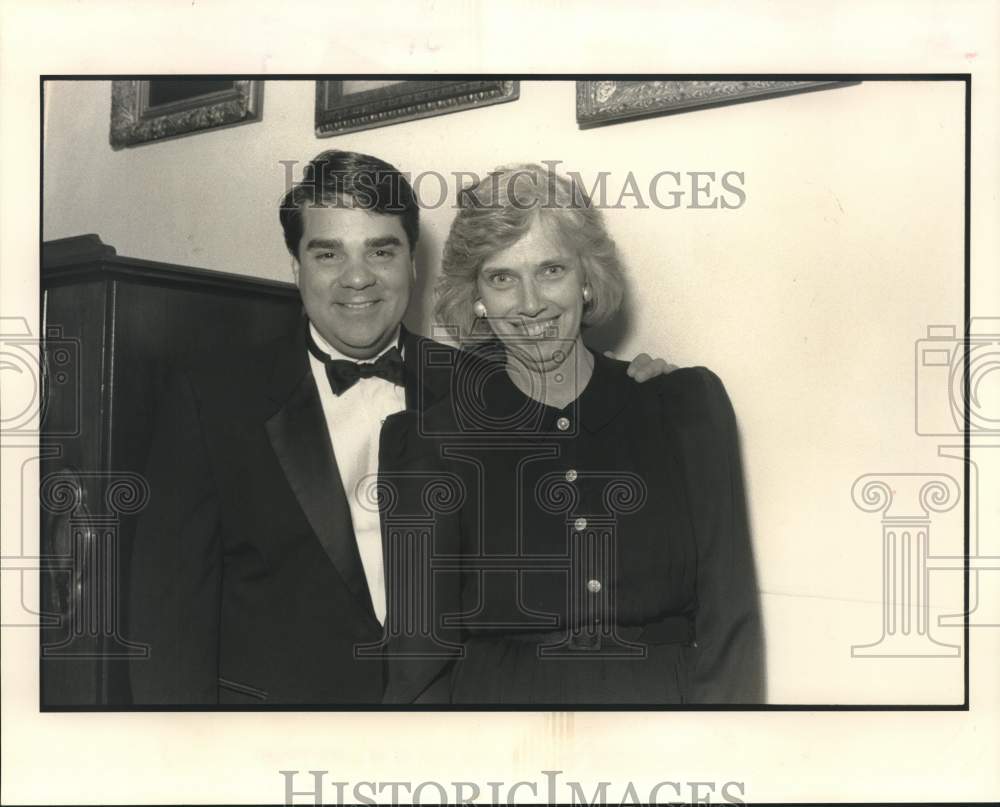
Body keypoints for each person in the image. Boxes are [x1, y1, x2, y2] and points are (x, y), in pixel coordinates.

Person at [127, 149, 671, 705]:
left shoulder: (481, 389)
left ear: (413, 262)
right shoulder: (211, 399)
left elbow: (578, 433)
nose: (357, 278)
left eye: (381, 251)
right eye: (328, 253)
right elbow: (167, 616)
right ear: (296, 267)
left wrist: (646, 387)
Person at [382, 164, 765, 705]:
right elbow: (417, 668)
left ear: (587, 280)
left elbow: (732, 626)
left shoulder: (684, 410)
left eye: (552, 269)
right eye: (501, 278)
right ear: (476, 300)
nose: (530, 302)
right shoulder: (429, 443)